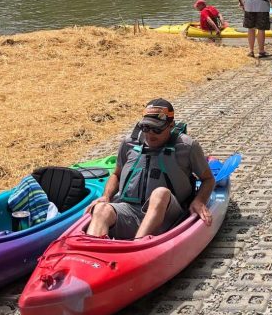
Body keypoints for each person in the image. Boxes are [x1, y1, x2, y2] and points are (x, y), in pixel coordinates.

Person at [85, 99, 215, 239]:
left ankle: (138, 245)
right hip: (129, 210)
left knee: (160, 193)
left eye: (157, 129)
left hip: (169, 215)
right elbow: (116, 175)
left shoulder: (187, 146)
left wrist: (199, 200)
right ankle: (91, 247)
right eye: (146, 127)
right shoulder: (129, 143)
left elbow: (208, 179)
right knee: (101, 209)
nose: (150, 134)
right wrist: (106, 196)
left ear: (171, 125)